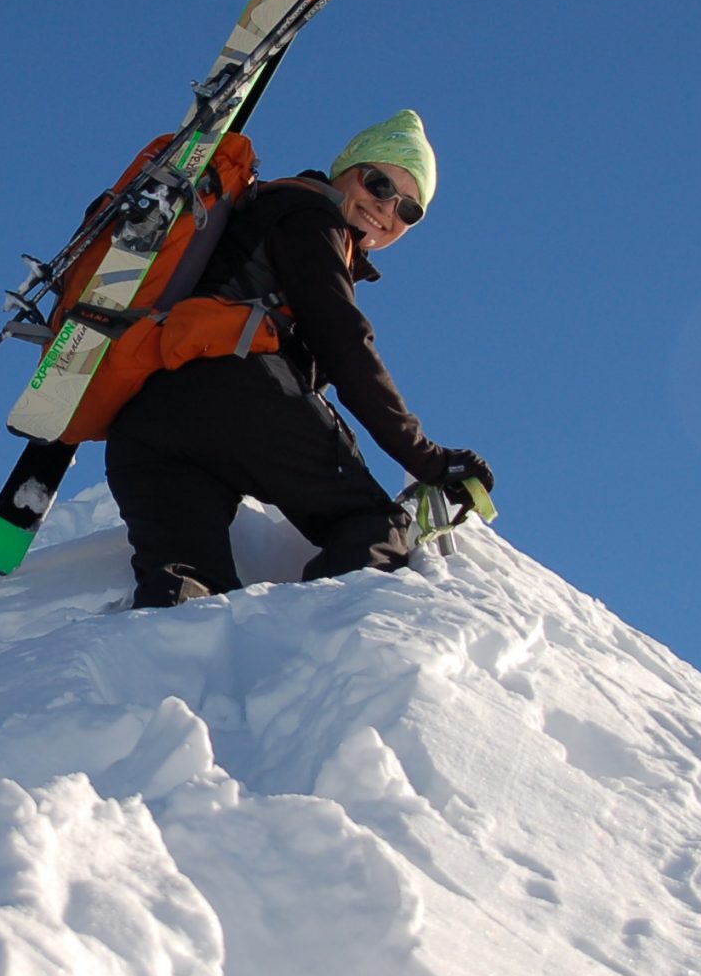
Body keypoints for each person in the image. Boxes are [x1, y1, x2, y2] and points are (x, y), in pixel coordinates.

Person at [103, 108, 494, 608]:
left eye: (409, 210)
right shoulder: (308, 216)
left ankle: (154, 681)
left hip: (147, 425)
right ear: (345, 169)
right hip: (238, 391)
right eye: (379, 183)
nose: (388, 209)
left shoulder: (254, 218)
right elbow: (346, 345)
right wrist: (430, 460)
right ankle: (310, 665)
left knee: (184, 601)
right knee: (372, 526)